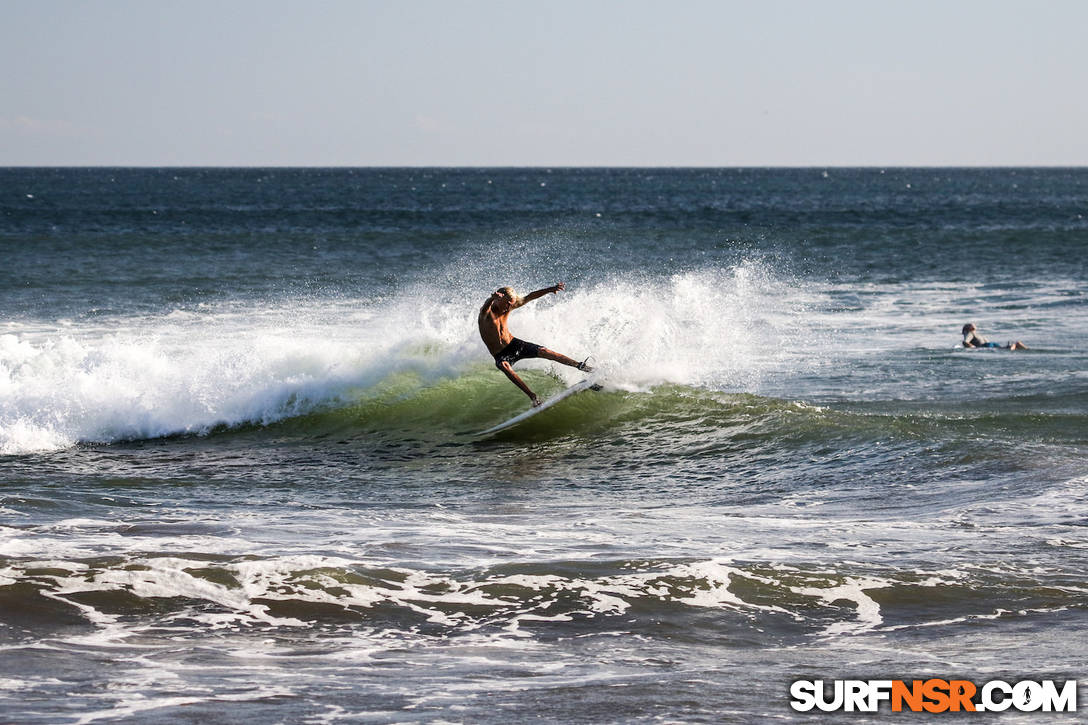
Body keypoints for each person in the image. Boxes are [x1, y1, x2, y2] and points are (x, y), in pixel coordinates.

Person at [479, 283, 592, 406]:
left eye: (511, 304)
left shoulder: (509, 305)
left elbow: (529, 297)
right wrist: (492, 298)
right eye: (507, 303)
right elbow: (484, 308)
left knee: (545, 351)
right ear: (499, 299)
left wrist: (550, 289)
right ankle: (533, 397)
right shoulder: (486, 314)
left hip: (513, 344)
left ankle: (580, 366)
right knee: (505, 366)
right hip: (500, 354)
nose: (509, 307)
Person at [961, 323, 1028, 350]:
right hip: (990, 344)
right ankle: (1026, 349)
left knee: (1007, 350)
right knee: (1010, 346)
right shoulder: (979, 335)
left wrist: (973, 347)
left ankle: (1012, 348)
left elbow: (965, 342)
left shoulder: (970, 333)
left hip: (986, 345)